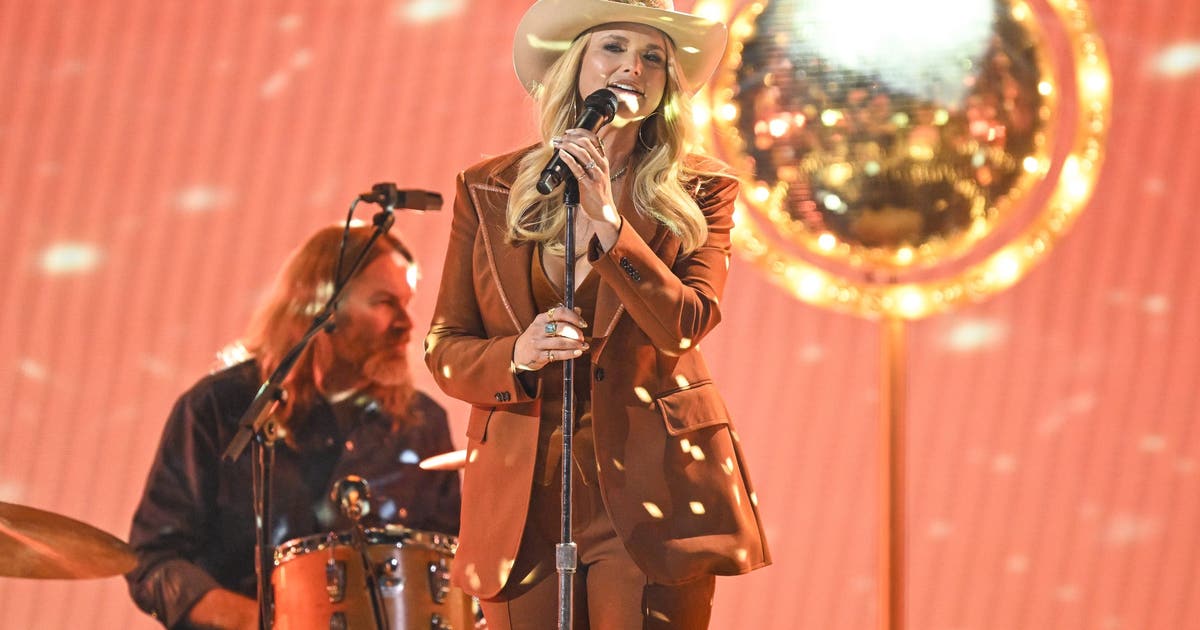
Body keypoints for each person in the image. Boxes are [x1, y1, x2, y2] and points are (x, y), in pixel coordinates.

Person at [424, 1, 770, 627]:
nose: (633, 67)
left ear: (667, 84)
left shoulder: (701, 190)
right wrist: (516, 355)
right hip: (522, 499)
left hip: (652, 489)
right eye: (613, 47)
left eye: (653, 57)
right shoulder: (488, 187)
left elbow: (687, 323)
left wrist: (610, 225)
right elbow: (445, 345)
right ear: (575, 64)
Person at [126, 225, 461, 629]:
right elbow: (153, 560)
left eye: (407, 303)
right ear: (323, 309)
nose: (407, 323)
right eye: (385, 303)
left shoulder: (422, 424)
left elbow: (454, 565)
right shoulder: (218, 408)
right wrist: (262, 622)